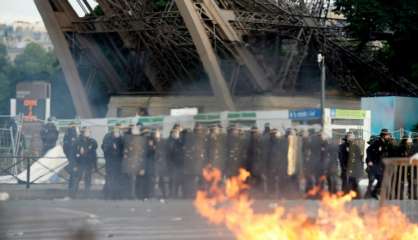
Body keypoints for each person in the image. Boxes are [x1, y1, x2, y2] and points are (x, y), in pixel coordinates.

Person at [122, 125, 147, 199]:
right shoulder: (128, 138)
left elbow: (143, 154)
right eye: (133, 129)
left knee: (137, 181)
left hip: (138, 163)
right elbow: (126, 152)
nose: (135, 130)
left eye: (136, 129)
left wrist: (142, 166)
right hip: (130, 163)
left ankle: (136, 195)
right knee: (131, 180)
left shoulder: (142, 139)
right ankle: (131, 195)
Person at [182, 123, 207, 198]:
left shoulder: (204, 137)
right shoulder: (191, 137)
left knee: (201, 180)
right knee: (191, 180)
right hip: (193, 163)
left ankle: (200, 195)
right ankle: (190, 194)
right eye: (197, 129)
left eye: (200, 129)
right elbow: (188, 149)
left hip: (201, 162)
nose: (199, 131)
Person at [71, 127, 98, 198]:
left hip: (88, 163)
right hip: (80, 162)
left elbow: (95, 147)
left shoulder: (91, 141)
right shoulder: (78, 141)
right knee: (77, 178)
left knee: (88, 179)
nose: (89, 133)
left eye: (89, 132)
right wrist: (75, 165)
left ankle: (87, 194)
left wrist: (95, 166)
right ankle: (73, 194)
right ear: (83, 133)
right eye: (87, 132)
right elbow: (73, 154)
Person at [366, 129, 392, 199]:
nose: (388, 136)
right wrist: (369, 160)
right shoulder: (377, 142)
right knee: (373, 180)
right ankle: (369, 194)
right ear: (383, 135)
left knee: (382, 180)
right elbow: (368, 150)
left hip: (382, 165)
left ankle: (373, 192)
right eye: (387, 135)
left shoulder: (386, 143)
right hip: (375, 164)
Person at [102, 125, 124, 199]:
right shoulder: (108, 137)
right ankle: (108, 195)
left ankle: (116, 195)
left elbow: (123, 148)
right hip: (110, 161)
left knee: (117, 178)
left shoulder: (121, 137)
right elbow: (104, 148)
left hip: (118, 162)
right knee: (110, 178)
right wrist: (112, 147)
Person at [339, 132, 364, 197]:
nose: (352, 138)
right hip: (345, 166)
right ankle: (344, 194)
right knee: (345, 181)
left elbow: (359, 158)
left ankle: (355, 195)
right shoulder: (342, 146)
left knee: (354, 181)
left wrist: (360, 167)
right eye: (350, 137)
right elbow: (341, 157)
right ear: (347, 138)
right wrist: (344, 166)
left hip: (354, 167)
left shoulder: (356, 147)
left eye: (353, 137)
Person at [167, 128, 184, 198]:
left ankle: (177, 193)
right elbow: (169, 154)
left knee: (179, 180)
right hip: (174, 164)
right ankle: (172, 193)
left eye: (177, 133)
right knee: (173, 180)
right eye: (175, 133)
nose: (176, 134)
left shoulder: (180, 142)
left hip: (180, 163)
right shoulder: (170, 142)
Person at [153, 129, 170, 200]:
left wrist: (161, 156)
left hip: (163, 164)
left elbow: (167, 151)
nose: (156, 134)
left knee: (163, 180)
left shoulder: (164, 141)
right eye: (156, 133)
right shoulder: (153, 141)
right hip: (155, 164)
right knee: (156, 180)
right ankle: (157, 194)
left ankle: (165, 194)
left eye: (158, 133)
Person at [63, 122, 78, 195]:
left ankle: (72, 188)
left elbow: (65, 147)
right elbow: (65, 146)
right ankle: (72, 188)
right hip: (72, 156)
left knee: (73, 172)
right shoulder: (71, 135)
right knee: (73, 172)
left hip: (72, 156)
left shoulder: (68, 135)